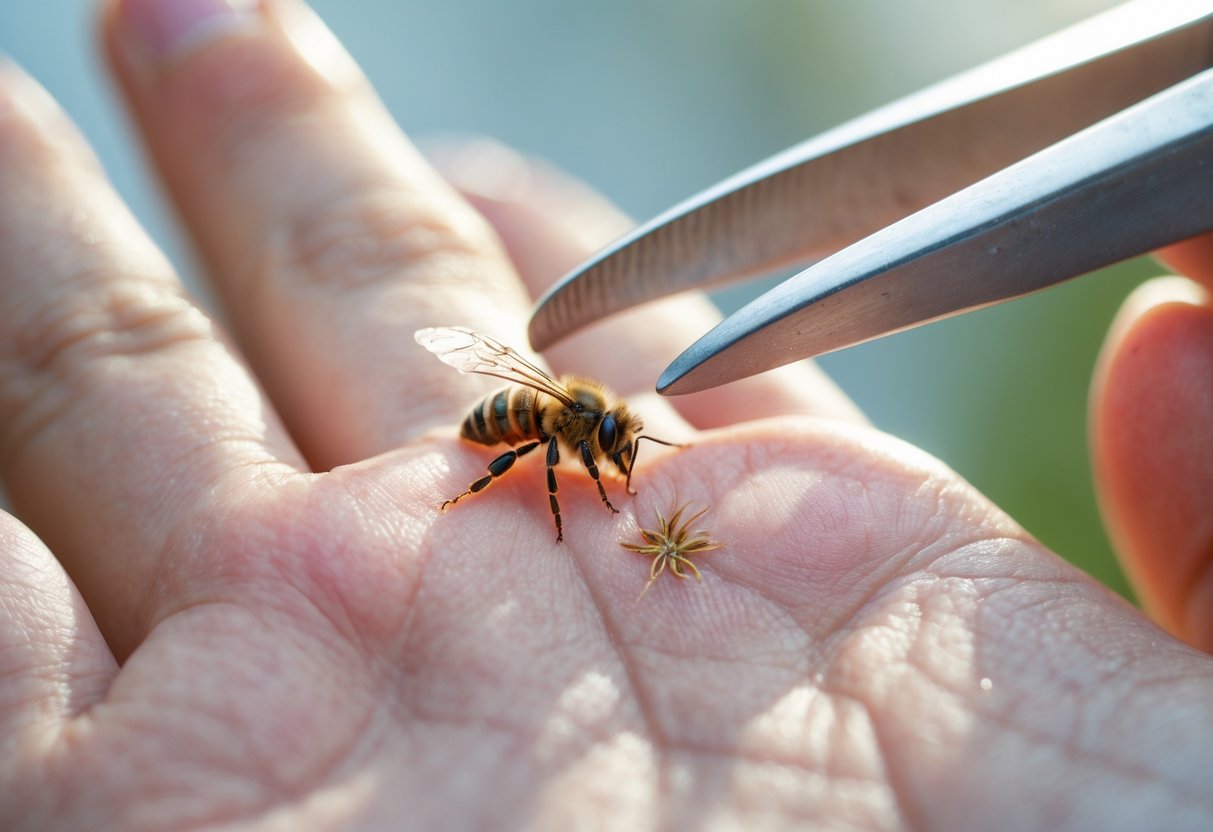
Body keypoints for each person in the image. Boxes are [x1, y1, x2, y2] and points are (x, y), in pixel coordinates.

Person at [0, 1, 1210, 828]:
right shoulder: (562, 440)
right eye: (615, 454)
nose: (620, 466)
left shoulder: (598, 448)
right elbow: (545, 447)